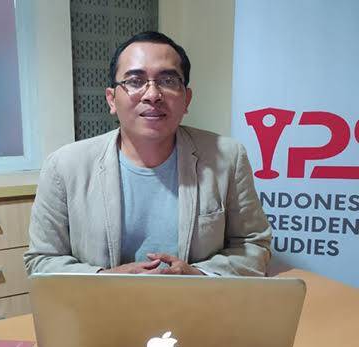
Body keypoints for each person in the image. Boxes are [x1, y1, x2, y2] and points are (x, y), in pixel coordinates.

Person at [24, 31, 271, 276]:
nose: (152, 95)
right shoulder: (64, 166)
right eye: (135, 81)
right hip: (103, 300)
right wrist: (105, 278)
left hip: (195, 299)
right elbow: (42, 260)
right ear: (111, 99)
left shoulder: (227, 158)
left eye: (168, 80)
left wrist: (198, 275)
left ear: (186, 99)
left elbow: (254, 246)